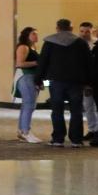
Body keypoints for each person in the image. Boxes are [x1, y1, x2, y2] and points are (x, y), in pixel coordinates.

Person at [35, 18, 91, 147]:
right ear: (71, 28)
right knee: (76, 110)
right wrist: (89, 83)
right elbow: (88, 63)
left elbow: (43, 62)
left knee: (57, 110)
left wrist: (38, 80)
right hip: (76, 82)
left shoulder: (49, 42)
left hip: (56, 81)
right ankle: (76, 140)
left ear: (57, 28)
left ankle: (58, 139)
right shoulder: (80, 42)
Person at [13, 26, 42, 144]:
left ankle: (21, 131)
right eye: (33, 34)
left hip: (32, 77)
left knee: (27, 105)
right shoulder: (23, 47)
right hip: (26, 77)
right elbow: (19, 63)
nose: (36, 36)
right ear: (27, 36)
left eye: (36, 33)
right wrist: (37, 62)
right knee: (29, 105)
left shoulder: (32, 47)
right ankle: (26, 132)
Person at [77, 22, 98, 140]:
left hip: (96, 80)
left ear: (92, 31)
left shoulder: (97, 43)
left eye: (87, 31)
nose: (84, 34)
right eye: (82, 31)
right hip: (84, 80)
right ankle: (92, 129)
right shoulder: (77, 44)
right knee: (87, 106)